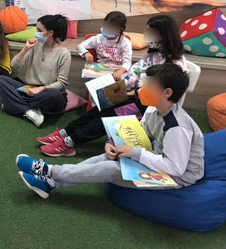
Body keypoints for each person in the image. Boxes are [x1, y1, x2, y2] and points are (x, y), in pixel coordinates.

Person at [16, 63, 204, 199]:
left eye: (148, 85)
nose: (142, 89)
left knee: (111, 168)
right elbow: (139, 134)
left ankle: (50, 171)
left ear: (167, 93)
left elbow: (176, 168)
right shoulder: (153, 109)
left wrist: (136, 153)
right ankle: (50, 183)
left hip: (176, 177)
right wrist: (112, 144)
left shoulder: (177, 127)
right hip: (160, 160)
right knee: (109, 157)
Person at [39, 14, 187, 157]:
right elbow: (134, 73)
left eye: (150, 33)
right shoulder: (153, 54)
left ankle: (70, 143)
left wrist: (129, 93)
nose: (145, 36)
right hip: (134, 95)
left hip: (149, 104)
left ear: (163, 35)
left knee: (109, 114)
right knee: (101, 106)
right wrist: (119, 88)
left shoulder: (175, 63)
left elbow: (157, 92)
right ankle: (66, 132)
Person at [0, 14, 71, 128]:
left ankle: (12, 104)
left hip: (47, 91)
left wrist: (40, 89)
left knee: (55, 95)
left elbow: (61, 84)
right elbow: (14, 66)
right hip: (28, 89)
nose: (36, 33)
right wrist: (25, 49)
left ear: (50, 33)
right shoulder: (35, 46)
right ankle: (29, 111)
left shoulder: (64, 53)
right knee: (1, 79)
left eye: (39, 30)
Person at [77, 11, 132, 80]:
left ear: (120, 29)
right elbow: (80, 46)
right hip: (102, 68)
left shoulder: (125, 42)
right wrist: (86, 52)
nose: (107, 29)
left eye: (111, 27)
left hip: (118, 69)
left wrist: (120, 71)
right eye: (105, 25)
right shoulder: (98, 38)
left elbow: (127, 61)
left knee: (125, 81)